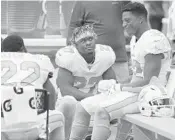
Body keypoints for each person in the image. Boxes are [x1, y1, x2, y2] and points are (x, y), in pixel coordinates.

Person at [69, 2, 172, 140]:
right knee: (82, 107)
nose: (123, 24)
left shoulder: (154, 39)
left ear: (141, 19)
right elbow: (135, 77)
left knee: (102, 110)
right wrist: (115, 84)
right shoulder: (136, 40)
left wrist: (119, 87)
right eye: (122, 20)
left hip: (152, 96)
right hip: (136, 92)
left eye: (128, 20)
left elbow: (149, 82)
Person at [1, 35, 77, 140]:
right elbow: (50, 98)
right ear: (23, 48)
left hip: (3, 128)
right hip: (34, 127)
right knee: (68, 104)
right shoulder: (41, 60)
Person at [67, 1, 130, 83]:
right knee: (93, 93)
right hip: (92, 62)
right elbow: (74, 27)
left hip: (118, 59)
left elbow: (133, 17)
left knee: (122, 93)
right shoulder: (81, 2)